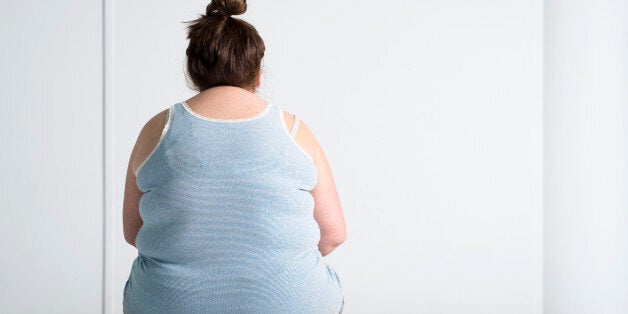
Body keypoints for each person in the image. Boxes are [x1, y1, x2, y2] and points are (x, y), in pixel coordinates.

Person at [121, 0, 346, 313]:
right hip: (289, 302)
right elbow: (333, 235)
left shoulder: (156, 130)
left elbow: (134, 233)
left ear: (193, 71)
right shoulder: (295, 131)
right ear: (257, 74)